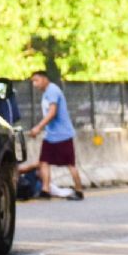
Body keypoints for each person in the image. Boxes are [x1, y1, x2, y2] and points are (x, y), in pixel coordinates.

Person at [29, 71, 83, 201]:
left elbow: (52, 112)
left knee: (70, 164)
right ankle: (45, 190)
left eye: (36, 81)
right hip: (51, 135)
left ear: (44, 78)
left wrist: (38, 127)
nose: (35, 85)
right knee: (44, 161)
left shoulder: (53, 91)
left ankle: (79, 190)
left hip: (62, 134)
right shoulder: (46, 93)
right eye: (33, 82)